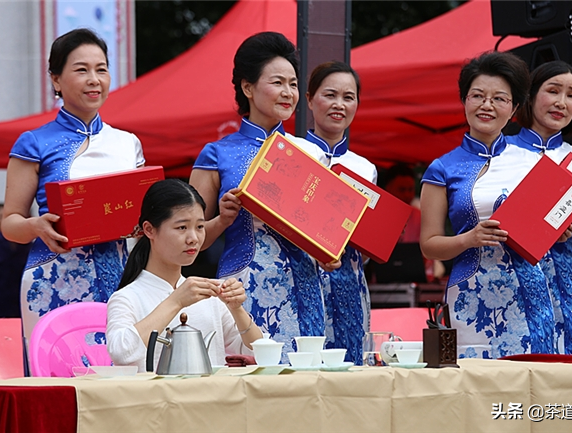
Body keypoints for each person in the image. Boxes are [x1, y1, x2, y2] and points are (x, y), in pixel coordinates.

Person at [189, 32, 331, 362]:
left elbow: (325, 230)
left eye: (293, 84)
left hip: (307, 286)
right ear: (247, 87)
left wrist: (330, 251)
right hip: (245, 289)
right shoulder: (216, 155)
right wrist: (222, 219)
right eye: (278, 82)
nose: (288, 93)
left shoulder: (311, 153)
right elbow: (193, 241)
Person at [1, 28, 144, 341]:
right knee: (60, 384)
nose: (94, 79)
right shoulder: (33, 143)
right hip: (54, 280)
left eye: (101, 69)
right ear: (56, 80)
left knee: (120, 378)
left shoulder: (128, 143)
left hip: (121, 281)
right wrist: (37, 226)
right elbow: (10, 223)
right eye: (81, 70)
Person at [420, 51, 559, 359]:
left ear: (514, 109)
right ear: (464, 100)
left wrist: (560, 229)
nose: (487, 105)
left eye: (499, 99)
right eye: (478, 96)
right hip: (473, 296)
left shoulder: (533, 162)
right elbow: (429, 245)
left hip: (532, 293)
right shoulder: (442, 168)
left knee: (533, 384)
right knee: (479, 389)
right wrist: (469, 239)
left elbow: (549, 223)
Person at [106, 179, 262, 372]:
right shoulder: (126, 298)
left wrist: (236, 309)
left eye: (199, 227)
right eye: (182, 228)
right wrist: (176, 302)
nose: (194, 238)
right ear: (149, 229)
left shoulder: (210, 296)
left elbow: (259, 353)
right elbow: (121, 353)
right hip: (156, 400)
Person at [507, 60, 572, 356]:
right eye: (553, 91)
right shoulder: (504, 155)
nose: (562, 102)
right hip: (520, 281)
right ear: (531, 95)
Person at [300, 61, 376, 364]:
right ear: (309, 99)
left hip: (349, 283)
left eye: (349, 97)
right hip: (302, 277)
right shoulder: (293, 153)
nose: (339, 105)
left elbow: (367, 246)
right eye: (330, 95)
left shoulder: (365, 168)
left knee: (349, 369)